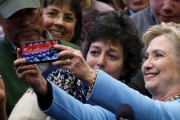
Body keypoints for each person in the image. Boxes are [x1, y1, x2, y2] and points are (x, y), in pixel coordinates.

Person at [14, 22, 180, 120]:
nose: (147, 65)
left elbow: (153, 113)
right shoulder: (134, 107)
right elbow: (86, 116)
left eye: (158, 55)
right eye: (146, 57)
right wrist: (42, 86)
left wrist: (88, 73)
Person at [0, 0, 79, 117]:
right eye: (16, 16)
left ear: (41, 8)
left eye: (31, 12)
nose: (26, 22)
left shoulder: (73, 53)